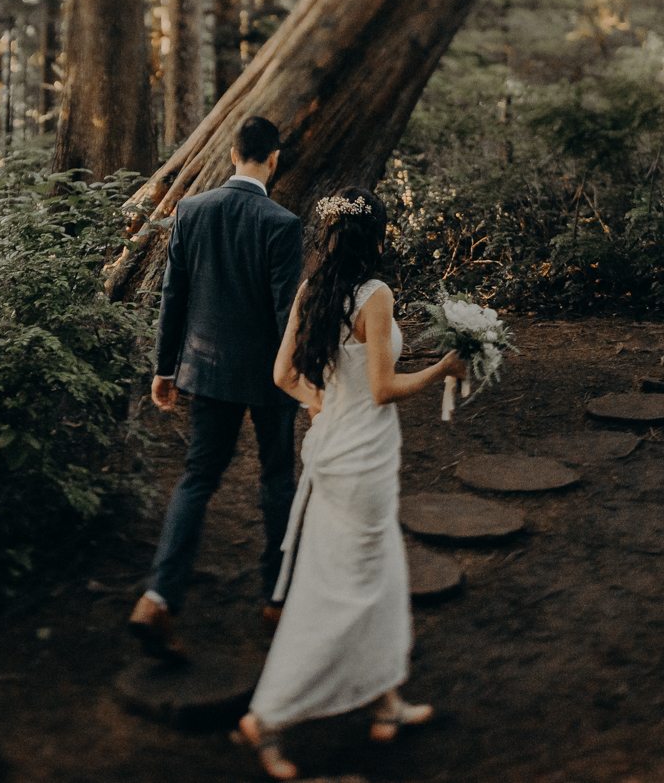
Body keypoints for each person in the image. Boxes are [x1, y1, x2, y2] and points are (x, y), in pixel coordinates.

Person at [233, 187, 464, 780]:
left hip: (331, 449)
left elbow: (283, 373)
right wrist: (442, 367)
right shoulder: (376, 295)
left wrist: (321, 403)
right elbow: (384, 389)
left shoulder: (313, 291)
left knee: (381, 575)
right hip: (363, 460)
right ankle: (269, 714)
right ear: (375, 236)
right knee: (342, 593)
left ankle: (386, 699)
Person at [128, 115, 307, 663]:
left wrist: (164, 368)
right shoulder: (282, 223)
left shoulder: (192, 210)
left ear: (233, 154)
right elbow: (286, 315)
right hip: (270, 378)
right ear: (273, 159)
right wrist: (302, 379)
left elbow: (173, 296)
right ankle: (278, 599)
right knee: (278, 478)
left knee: (198, 477)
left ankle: (158, 597)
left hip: (205, 373)